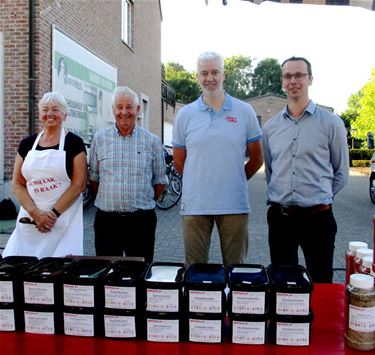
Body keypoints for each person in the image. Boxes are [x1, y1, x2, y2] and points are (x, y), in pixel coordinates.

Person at [262, 56, 349, 283]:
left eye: (299, 75)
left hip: (317, 219)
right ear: (282, 81)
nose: (293, 81)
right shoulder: (270, 128)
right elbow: (271, 171)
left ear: (310, 79)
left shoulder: (331, 123)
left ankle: (318, 320)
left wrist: (320, 196)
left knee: (320, 281)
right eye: (288, 76)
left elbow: (341, 172)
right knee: (282, 283)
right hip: (281, 220)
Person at [172, 51, 263, 266]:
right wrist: (199, 180)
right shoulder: (185, 115)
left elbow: (257, 158)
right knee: (195, 272)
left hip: (234, 205)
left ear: (224, 74)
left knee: (236, 271)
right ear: (197, 76)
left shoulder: (245, 111)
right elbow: (178, 161)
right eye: (204, 73)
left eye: (215, 72)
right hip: (196, 206)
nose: (209, 78)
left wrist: (235, 179)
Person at [2, 92, 87, 258]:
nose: (50, 114)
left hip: (63, 221)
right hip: (31, 220)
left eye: (55, 109)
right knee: (21, 268)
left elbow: (79, 185)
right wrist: (35, 213)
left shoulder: (74, 143)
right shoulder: (26, 144)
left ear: (65, 115)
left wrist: (52, 215)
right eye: (45, 109)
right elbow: (17, 183)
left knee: (60, 273)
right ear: (40, 114)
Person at [89, 86, 167, 262]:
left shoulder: (152, 141)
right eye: (119, 107)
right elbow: (94, 178)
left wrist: (143, 200)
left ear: (138, 109)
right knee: (107, 274)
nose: (124, 112)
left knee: (139, 275)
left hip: (141, 222)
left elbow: (159, 181)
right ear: (113, 110)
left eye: (129, 107)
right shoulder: (99, 140)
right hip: (107, 222)